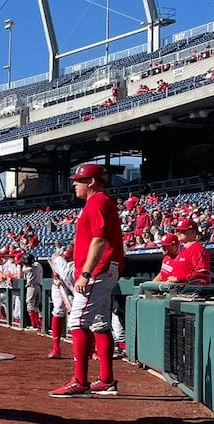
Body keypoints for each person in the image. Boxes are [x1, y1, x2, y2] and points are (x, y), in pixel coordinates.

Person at [50, 163, 125, 398]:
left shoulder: (98, 201)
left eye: (78, 180)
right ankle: (106, 380)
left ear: (91, 182)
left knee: (77, 323)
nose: (74, 184)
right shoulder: (98, 202)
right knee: (100, 324)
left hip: (98, 271)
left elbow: (100, 240)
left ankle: (80, 382)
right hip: (103, 270)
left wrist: (86, 273)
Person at [47, 246, 75, 359]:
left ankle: (92, 349)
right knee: (58, 310)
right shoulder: (59, 262)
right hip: (59, 284)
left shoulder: (75, 268)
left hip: (73, 286)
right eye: (66, 259)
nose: (67, 261)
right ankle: (56, 347)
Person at [172, 219, 211, 285]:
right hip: (180, 290)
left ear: (193, 232)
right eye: (177, 231)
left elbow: (202, 273)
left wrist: (179, 279)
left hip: (193, 291)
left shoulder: (197, 248)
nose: (178, 233)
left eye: (183, 231)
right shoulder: (183, 249)